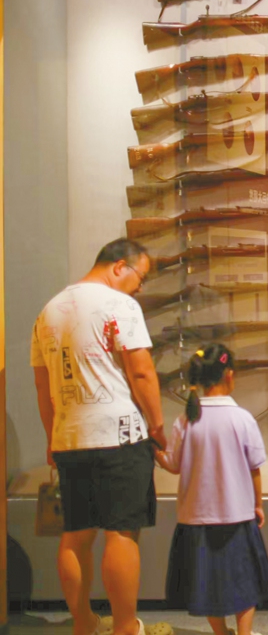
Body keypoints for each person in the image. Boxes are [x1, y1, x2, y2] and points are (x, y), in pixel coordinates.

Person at [33, 238, 171, 635]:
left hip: (69, 437)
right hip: (120, 436)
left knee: (75, 535)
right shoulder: (120, 305)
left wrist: (52, 438)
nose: (140, 288)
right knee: (121, 532)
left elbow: (43, 389)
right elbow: (142, 372)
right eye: (140, 277)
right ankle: (126, 627)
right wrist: (158, 428)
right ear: (118, 267)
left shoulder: (48, 311)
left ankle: (83, 624)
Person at [155, 344, 268, 635]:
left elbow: (173, 464)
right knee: (245, 581)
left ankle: (221, 633)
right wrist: (258, 504)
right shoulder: (242, 418)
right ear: (229, 375)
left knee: (207, 585)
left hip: (196, 517)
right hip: (237, 515)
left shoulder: (186, 419)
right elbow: (254, 467)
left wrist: (152, 446)